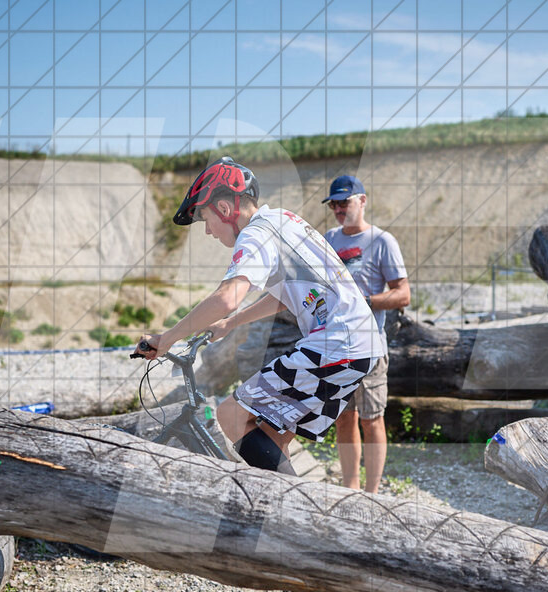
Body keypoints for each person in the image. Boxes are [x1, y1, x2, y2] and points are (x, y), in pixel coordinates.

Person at [137, 158, 384, 475]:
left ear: (225, 208)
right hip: (359, 344)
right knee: (271, 435)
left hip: (336, 343)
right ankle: (282, 514)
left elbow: (227, 297)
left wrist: (165, 339)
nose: (209, 231)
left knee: (232, 416)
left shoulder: (255, 234)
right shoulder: (283, 220)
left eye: (205, 219)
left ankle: (294, 513)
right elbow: (287, 294)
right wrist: (230, 324)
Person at [322, 175, 410, 493]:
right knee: (343, 419)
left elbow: (403, 294)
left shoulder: (382, 241)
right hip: (336, 347)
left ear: (362, 200)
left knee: (371, 419)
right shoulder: (329, 239)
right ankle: (351, 488)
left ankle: (373, 494)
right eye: (333, 204)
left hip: (371, 347)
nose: (338, 208)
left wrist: (366, 301)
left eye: (344, 202)